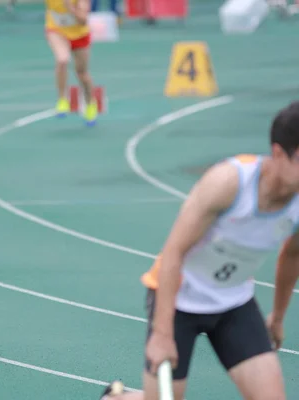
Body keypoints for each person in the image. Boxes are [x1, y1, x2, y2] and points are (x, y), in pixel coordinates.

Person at [100, 101, 299, 400]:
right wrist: (162, 334)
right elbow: (174, 252)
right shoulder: (229, 183)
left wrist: (278, 317)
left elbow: (293, 255)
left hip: (233, 303)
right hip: (178, 300)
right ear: (279, 153)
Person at [45, 0, 97, 126]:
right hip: (57, 31)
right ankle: (63, 99)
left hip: (79, 35)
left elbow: (83, 20)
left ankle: (90, 104)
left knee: (82, 73)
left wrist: (70, 8)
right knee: (62, 60)